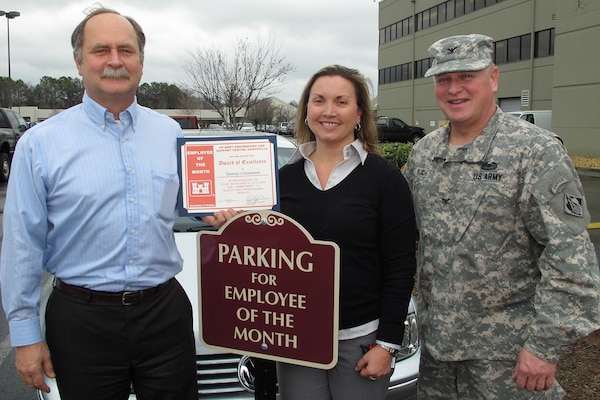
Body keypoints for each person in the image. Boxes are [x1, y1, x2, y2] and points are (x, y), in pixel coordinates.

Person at [0, 7, 197, 399]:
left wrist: (230, 211)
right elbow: (22, 244)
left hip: (164, 312)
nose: (114, 61)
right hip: (81, 319)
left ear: (141, 61)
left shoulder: (170, 134)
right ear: (78, 61)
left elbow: (190, 206)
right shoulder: (40, 143)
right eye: (100, 50)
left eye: (126, 50)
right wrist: (25, 336)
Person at [403, 34, 600, 399]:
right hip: (437, 355)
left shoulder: (535, 152)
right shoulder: (424, 155)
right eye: (444, 79)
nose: (454, 89)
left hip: (507, 361)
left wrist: (544, 347)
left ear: (493, 78)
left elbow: (571, 262)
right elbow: (396, 233)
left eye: (467, 76)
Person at [206, 64, 416, 399]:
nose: (329, 111)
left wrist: (387, 345)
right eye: (319, 101)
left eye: (341, 101)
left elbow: (401, 265)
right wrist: (230, 227)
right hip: (295, 337)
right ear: (306, 111)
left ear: (359, 112)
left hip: (360, 341)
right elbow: (264, 254)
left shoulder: (384, 179)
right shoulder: (280, 179)